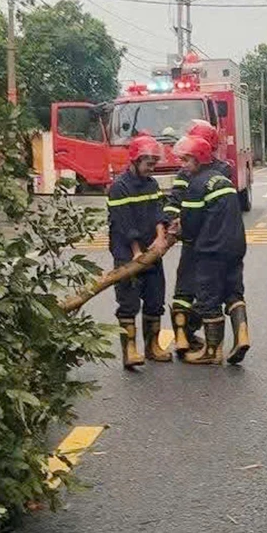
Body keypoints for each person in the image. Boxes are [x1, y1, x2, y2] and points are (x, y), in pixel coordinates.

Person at [172, 134, 250, 365]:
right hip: (234, 247)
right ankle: (242, 334)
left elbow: (191, 224)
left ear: (199, 159)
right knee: (233, 291)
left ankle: (212, 351)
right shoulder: (221, 178)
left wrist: (178, 230)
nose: (183, 165)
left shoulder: (196, 186)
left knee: (208, 298)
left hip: (211, 250)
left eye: (186, 160)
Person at [164, 120, 232, 358]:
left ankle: (186, 338)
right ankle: (196, 342)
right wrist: (174, 221)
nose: (183, 163)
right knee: (207, 290)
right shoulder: (222, 170)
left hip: (195, 241)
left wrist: (176, 221)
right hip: (209, 242)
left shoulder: (192, 174)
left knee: (186, 288)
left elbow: (175, 201)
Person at [107, 134, 172, 368]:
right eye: (148, 164)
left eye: (154, 163)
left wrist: (160, 238)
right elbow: (125, 224)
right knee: (129, 301)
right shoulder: (118, 188)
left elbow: (158, 212)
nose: (151, 168)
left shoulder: (152, 184)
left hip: (151, 252)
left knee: (155, 299)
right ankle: (130, 351)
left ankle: (153, 347)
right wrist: (136, 252)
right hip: (127, 254)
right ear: (135, 160)